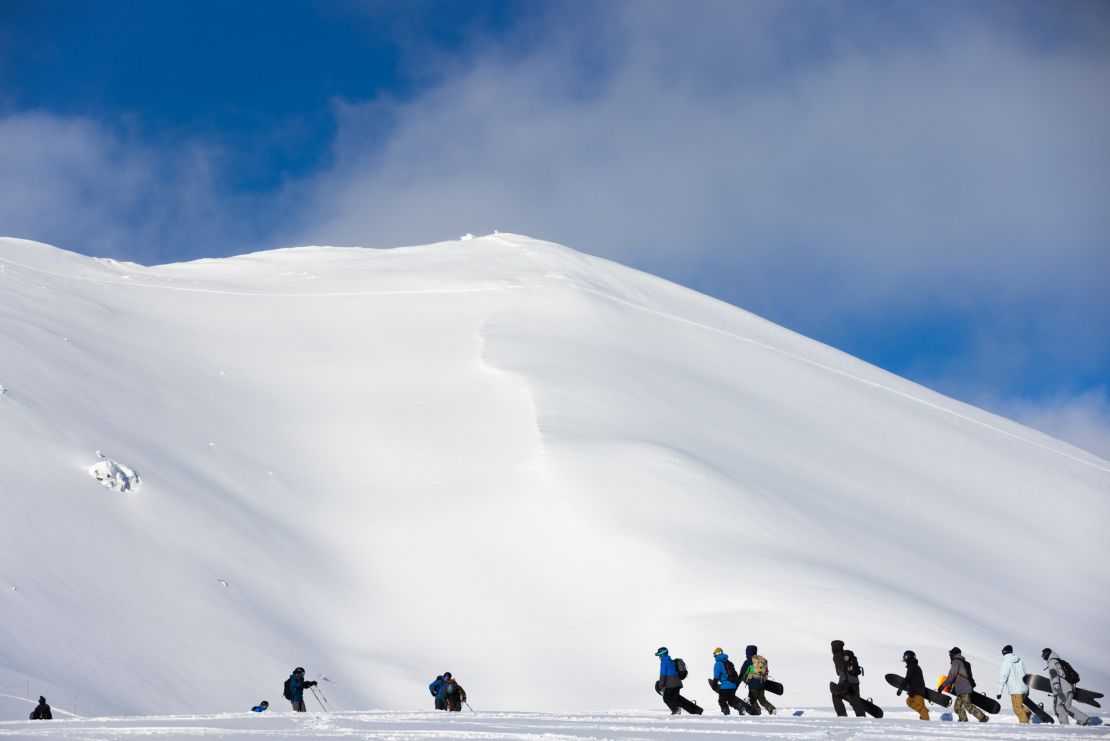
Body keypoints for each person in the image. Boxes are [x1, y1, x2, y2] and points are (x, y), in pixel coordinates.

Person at [1043, 648, 1092, 726]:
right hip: (1070, 687)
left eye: (1043, 655)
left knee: (1058, 706)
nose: (1043, 657)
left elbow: (1054, 674)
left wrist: (1056, 686)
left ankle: (1064, 725)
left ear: (1047, 654)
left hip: (1062, 689)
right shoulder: (1059, 661)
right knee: (1067, 706)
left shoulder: (1052, 662)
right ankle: (1084, 719)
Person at [940, 647, 987, 722]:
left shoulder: (956, 662)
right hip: (963, 688)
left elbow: (951, 676)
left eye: (951, 654)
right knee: (957, 707)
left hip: (964, 689)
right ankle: (963, 719)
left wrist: (942, 686)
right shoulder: (963, 662)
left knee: (967, 705)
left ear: (954, 654)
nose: (950, 655)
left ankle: (983, 717)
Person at [655, 647, 703, 715]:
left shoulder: (664, 662)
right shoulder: (672, 661)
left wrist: (661, 684)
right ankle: (697, 710)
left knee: (666, 698)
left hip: (670, 684)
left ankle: (675, 710)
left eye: (659, 655)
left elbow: (663, 674)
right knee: (677, 699)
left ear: (662, 655)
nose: (659, 657)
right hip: (677, 683)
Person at [830, 640, 865, 717]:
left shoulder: (837, 656)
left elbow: (841, 671)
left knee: (835, 695)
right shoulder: (849, 654)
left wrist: (846, 684)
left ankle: (842, 716)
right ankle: (862, 717)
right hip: (855, 681)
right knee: (855, 700)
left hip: (845, 682)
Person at [996, 645, 1029, 723]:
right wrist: (1027, 688)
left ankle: (1025, 725)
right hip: (1024, 688)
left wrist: (999, 692)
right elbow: (1026, 674)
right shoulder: (1019, 661)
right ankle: (1028, 713)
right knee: (1019, 707)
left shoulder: (1006, 662)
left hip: (1016, 690)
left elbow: (1003, 677)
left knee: (1017, 709)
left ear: (1004, 652)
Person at [740, 645, 776, 715]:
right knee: (762, 700)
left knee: (752, 699)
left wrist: (746, 681)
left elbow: (742, 673)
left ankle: (757, 710)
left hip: (753, 684)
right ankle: (772, 709)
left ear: (748, 652)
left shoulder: (748, 661)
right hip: (762, 683)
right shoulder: (762, 660)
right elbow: (766, 672)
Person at [710, 647, 746, 715]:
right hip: (733, 685)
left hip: (725, 686)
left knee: (721, 701)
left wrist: (714, 685)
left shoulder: (718, 664)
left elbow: (716, 676)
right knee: (731, 700)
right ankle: (740, 707)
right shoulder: (729, 662)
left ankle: (726, 712)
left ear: (716, 654)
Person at [896, 650, 929, 720]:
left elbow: (908, 678)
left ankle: (926, 719)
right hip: (914, 691)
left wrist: (901, 688)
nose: (904, 659)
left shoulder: (913, 667)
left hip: (918, 692)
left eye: (905, 657)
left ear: (909, 657)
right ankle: (924, 712)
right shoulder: (913, 666)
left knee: (921, 707)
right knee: (909, 701)